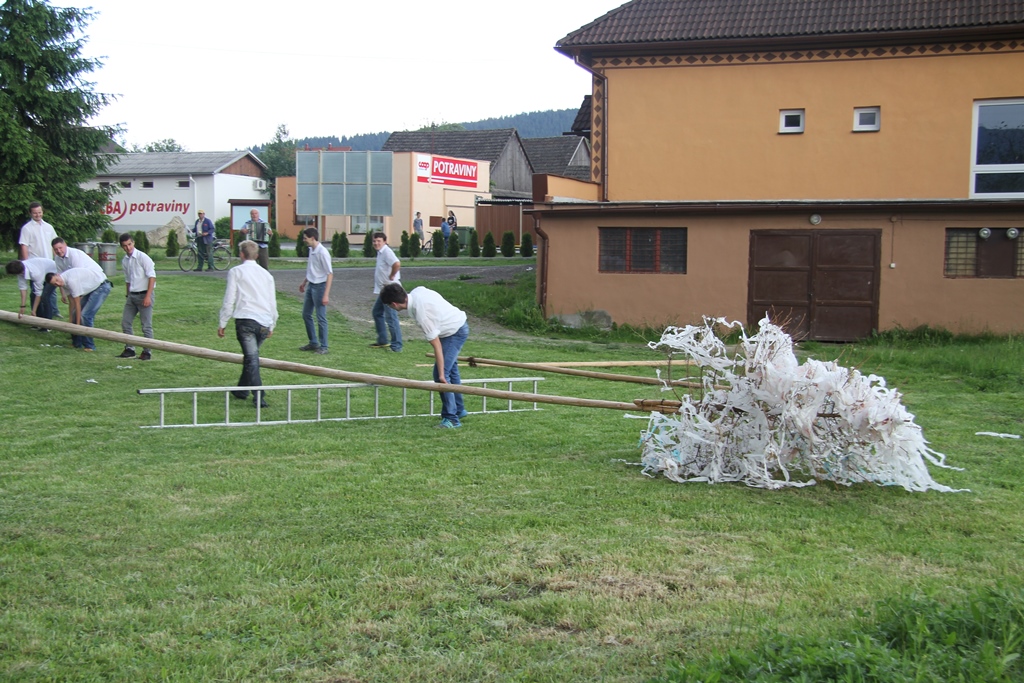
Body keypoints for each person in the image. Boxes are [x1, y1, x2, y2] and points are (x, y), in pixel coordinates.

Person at [380, 283, 469, 429]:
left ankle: (451, 419)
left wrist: (441, 375)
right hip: (454, 325)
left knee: (441, 374)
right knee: (451, 371)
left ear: (394, 304)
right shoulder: (417, 291)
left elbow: (437, 346)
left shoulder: (423, 316)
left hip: (455, 332)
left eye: (390, 306)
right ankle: (459, 410)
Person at [218, 240, 278, 409]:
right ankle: (242, 390)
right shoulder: (266, 275)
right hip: (264, 321)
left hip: (246, 320)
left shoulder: (236, 272)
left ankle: (259, 395)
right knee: (251, 357)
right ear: (257, 255)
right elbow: (272, 301)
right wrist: (272, 323)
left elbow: (229, 298)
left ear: (241, 254)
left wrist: (223, 322)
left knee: (251, 358)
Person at [45, 267, 112, 352]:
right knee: (75, 314)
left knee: (85, 315)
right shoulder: (63, 284)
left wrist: (77, 325)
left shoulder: (71, 281)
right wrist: (71, 321)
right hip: (91, 289)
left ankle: (90, 346)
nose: (58, 284)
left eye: (57, 280)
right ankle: (77, 343)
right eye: (55, 284)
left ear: (58, 275)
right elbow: (72, 302)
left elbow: (77, 304)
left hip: (102, 286)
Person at [118, 233, 156, 360]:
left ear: (133, 243)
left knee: (146, 325)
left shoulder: (142, 257)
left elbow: (152, 277)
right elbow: (128, 279)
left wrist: (148, 296)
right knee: (126, 322)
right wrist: (128, 294)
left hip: (144, 293)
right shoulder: (125, 260)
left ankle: (147, 351)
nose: (128, 248)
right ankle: (130, 348)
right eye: (125, 246)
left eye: (129, 244)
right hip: (132, 295)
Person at [19, 202, 59, 317]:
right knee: (36, 292)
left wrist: (57, 260)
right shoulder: (27, 228)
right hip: (35, 267)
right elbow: (24, 246)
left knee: (49, 292)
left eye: (40, 212)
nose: (38, 215)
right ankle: (37, 314)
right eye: (35, 213)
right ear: (30, 213)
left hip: (49, 265)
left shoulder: (49, 227)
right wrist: (26, 264)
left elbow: (54, 244)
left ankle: (51, 313)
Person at [297, 227, 333, 355]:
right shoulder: (311, 250)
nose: (304, 240)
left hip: (320, 286)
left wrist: (326, 295)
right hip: (311, 285)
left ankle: (324, 346)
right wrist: (304, 282)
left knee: (321, 317)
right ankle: (313, 342)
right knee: (306, 314)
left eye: (305, 238)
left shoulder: (322, 253)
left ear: (313, 238)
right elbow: (312, 269)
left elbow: (329, 274)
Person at [370, 232, 402, 352]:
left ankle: (397, 345)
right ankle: (382, 340)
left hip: (390, 290)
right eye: (374, 241)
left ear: (384, 241)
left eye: (379, 241)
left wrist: (392, 275)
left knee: (391, 317)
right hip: (383, 290)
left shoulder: (387, 252)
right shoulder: (380, 253)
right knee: (377, 312)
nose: (376, 243)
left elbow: (396, 264)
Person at [5, 257, 57, 321]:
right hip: (42, 271)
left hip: (53, 272)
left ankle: (48, 321)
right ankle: (38, 319)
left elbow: (38, 293)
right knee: (32, 295)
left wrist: (33, 310)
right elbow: (23, 288)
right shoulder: (20, 269)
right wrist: (22, 306)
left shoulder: (35, 273)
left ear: (20, 272)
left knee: (45, 297)